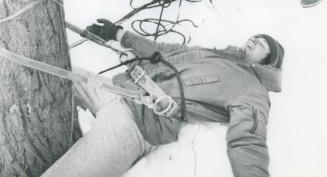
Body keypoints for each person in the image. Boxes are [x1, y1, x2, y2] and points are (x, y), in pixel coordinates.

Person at [42, 18, 284, 177]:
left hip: (136, 124)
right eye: (255, 36)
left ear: (270, 62)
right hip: (118, 90)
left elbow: (248, 140)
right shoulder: (214, 54)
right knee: (47, 71)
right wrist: (119, 34)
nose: (255, 40)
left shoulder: (252, 90)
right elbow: (164, 51)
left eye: (262, 43)